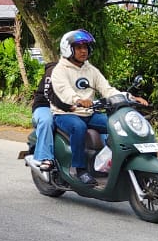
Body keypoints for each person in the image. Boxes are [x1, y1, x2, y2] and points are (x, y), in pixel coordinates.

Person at [50, 29, 145, 185]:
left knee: (117, 125)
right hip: (66, 114)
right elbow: (64, 91)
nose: (83, 51)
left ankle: (105, 163)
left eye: (86, 47)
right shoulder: (59, 70)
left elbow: (107, 89)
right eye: (79, 47)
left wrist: (129, 97)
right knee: (78, 127)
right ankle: (79, 170)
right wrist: (78, 99)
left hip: (89, 113)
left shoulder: (91, 70)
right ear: (68, 49)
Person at [26, 60, 64, 173]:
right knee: (47, 120)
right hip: (45, 105)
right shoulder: (53, 71)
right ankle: (45, 157)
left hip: (68, 107)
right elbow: (50, 94)